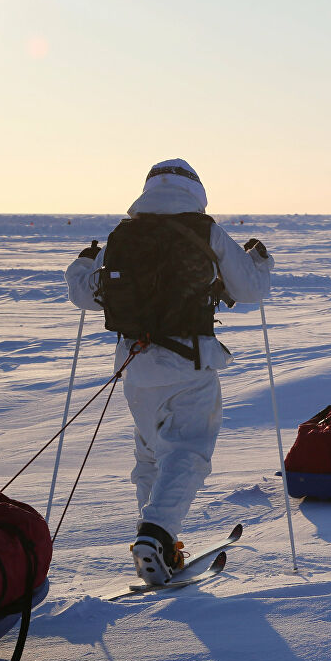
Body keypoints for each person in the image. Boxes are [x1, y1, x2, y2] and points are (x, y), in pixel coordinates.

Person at [65, 159, 272, 584]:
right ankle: (157, 535)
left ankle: (161, 544)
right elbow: (250, 290)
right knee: (188, 452)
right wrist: (261, 262)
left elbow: (85, 295)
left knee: (152, 454)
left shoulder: (123, 235)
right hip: (188, 362)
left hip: (134, 365)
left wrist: (83, 264)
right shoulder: (205, 231)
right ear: (196, 191)